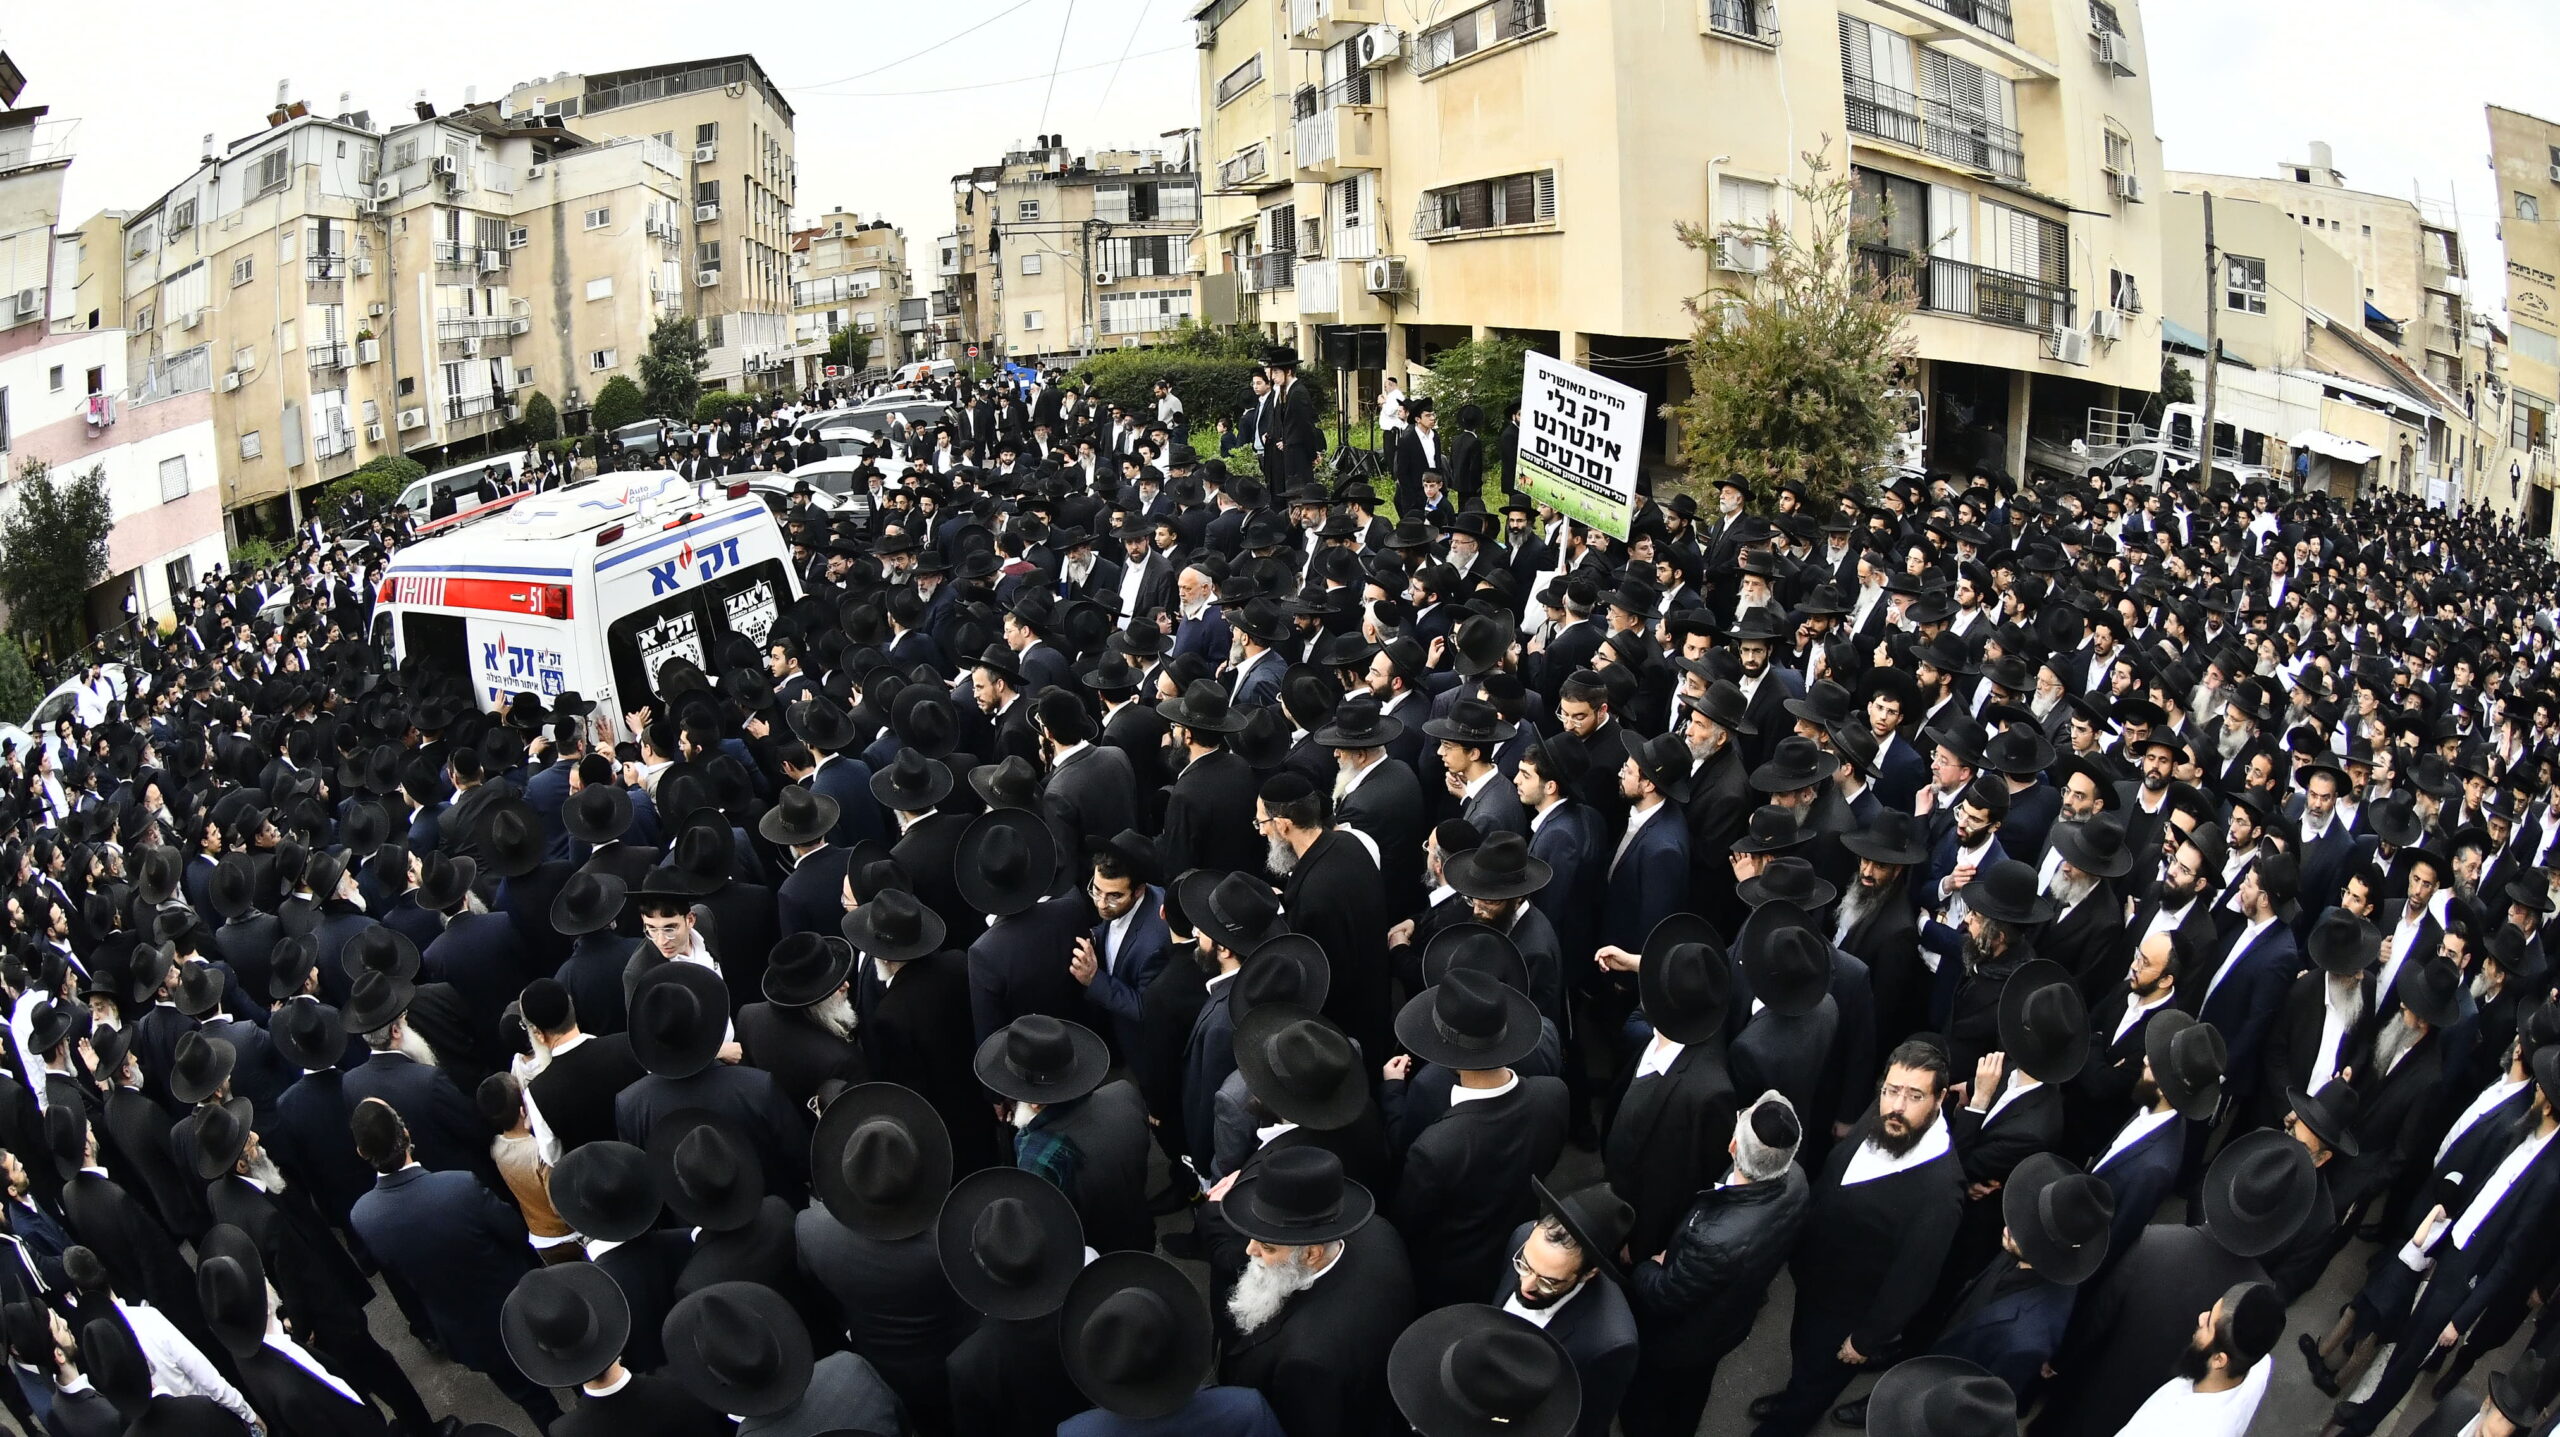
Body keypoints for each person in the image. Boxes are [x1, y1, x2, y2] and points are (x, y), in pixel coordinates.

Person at [1751, 1039, 1964, 1437]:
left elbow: (1913, 1280)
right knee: (1804, 1355)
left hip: (1847, 1312)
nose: (1897, 1105)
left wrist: (1866, 1340)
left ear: (1938, 1101)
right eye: (1892, 1090)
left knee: (1818, 1380)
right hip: (1816, 1281)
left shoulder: (1939, 1192)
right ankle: (1795, 1395)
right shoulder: (1884, 1114)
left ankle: (1787, 1423)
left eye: (1915, 1095)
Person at [2109, 1283, 2285, 1437]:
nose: (2201, 1317)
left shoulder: (2183, 1430)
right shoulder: (2259, 1366)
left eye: (2209, 1325)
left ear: (2219, 1360)